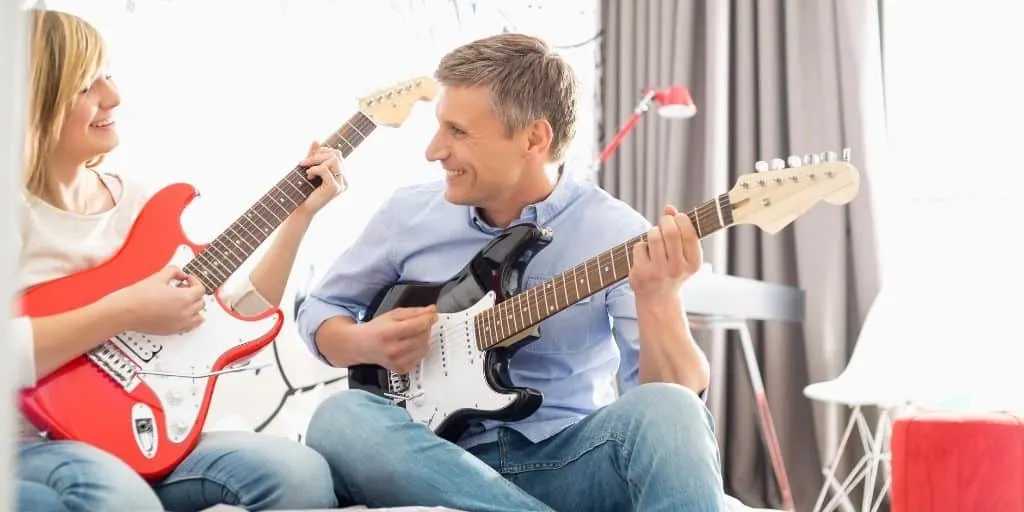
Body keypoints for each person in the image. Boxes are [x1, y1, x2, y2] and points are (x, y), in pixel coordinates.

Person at [297, 33, 727, 512]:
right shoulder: (408, 215)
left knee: (673, 408)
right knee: (340, 417)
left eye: (457, 132)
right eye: (441, 127)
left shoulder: (616, 232)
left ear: (533, 138)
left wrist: (660, 300)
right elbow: (321, 307)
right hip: (433, 460)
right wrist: (367, 341)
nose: (433, 150)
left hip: (566, 460)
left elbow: (670, 400)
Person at [14, 9, 342, 512]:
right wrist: (123, 311)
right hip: (28, 445)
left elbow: (231, 314)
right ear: (30, 101)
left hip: (143, 436)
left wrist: (297, 219)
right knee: (114, 494)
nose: (114, 97)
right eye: (87, 84)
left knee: (297, 474)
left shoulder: (140, 203)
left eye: (109, 74)